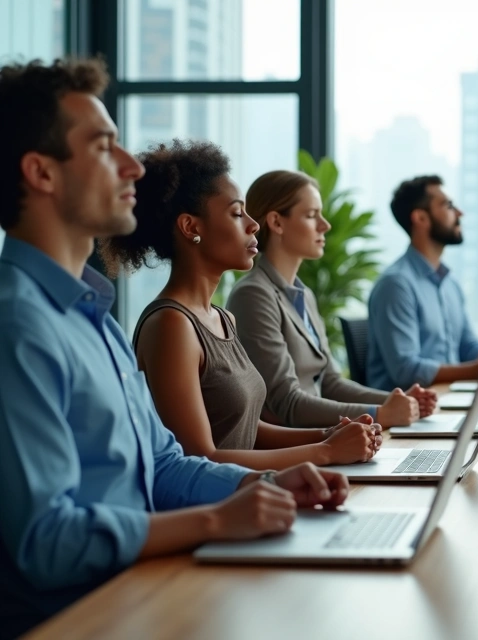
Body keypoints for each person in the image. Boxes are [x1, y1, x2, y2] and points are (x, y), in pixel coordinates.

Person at [0, 58, 348, 638]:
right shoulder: (18, 326)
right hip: (85, 617)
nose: (133, 165)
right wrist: (217, 518)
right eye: (105, 147)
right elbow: (48, 541)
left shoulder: (96, 318)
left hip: (142, 588)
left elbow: (161, 464)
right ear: (42, 173)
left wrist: (262, 486)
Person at [101, 140, 387, 470]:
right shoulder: (171, 325)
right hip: (217, 512)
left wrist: (327, 435)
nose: (253, 225)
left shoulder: (222, 319)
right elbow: (199, 459)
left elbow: (248, 431)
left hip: (252, 497)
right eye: (237, 213)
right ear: (191, 227)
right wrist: (325, 452)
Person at [225, 169, 437, 429]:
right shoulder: (254, 295)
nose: (325, 225)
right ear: (277, 223)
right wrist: (379, 413)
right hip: (299, 450)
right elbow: (286, 403)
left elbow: (330, 382)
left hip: (327, 438)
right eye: (312, 215)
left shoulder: (304, 296)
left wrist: (400, 401)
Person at [366, 175, 478, 389]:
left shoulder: (449, 283)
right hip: (411, 412)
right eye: (448, 206)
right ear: (421, 218)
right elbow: (406, 371)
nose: (459, 213)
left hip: (448, 398)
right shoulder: (396, 285)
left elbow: (467, 345)